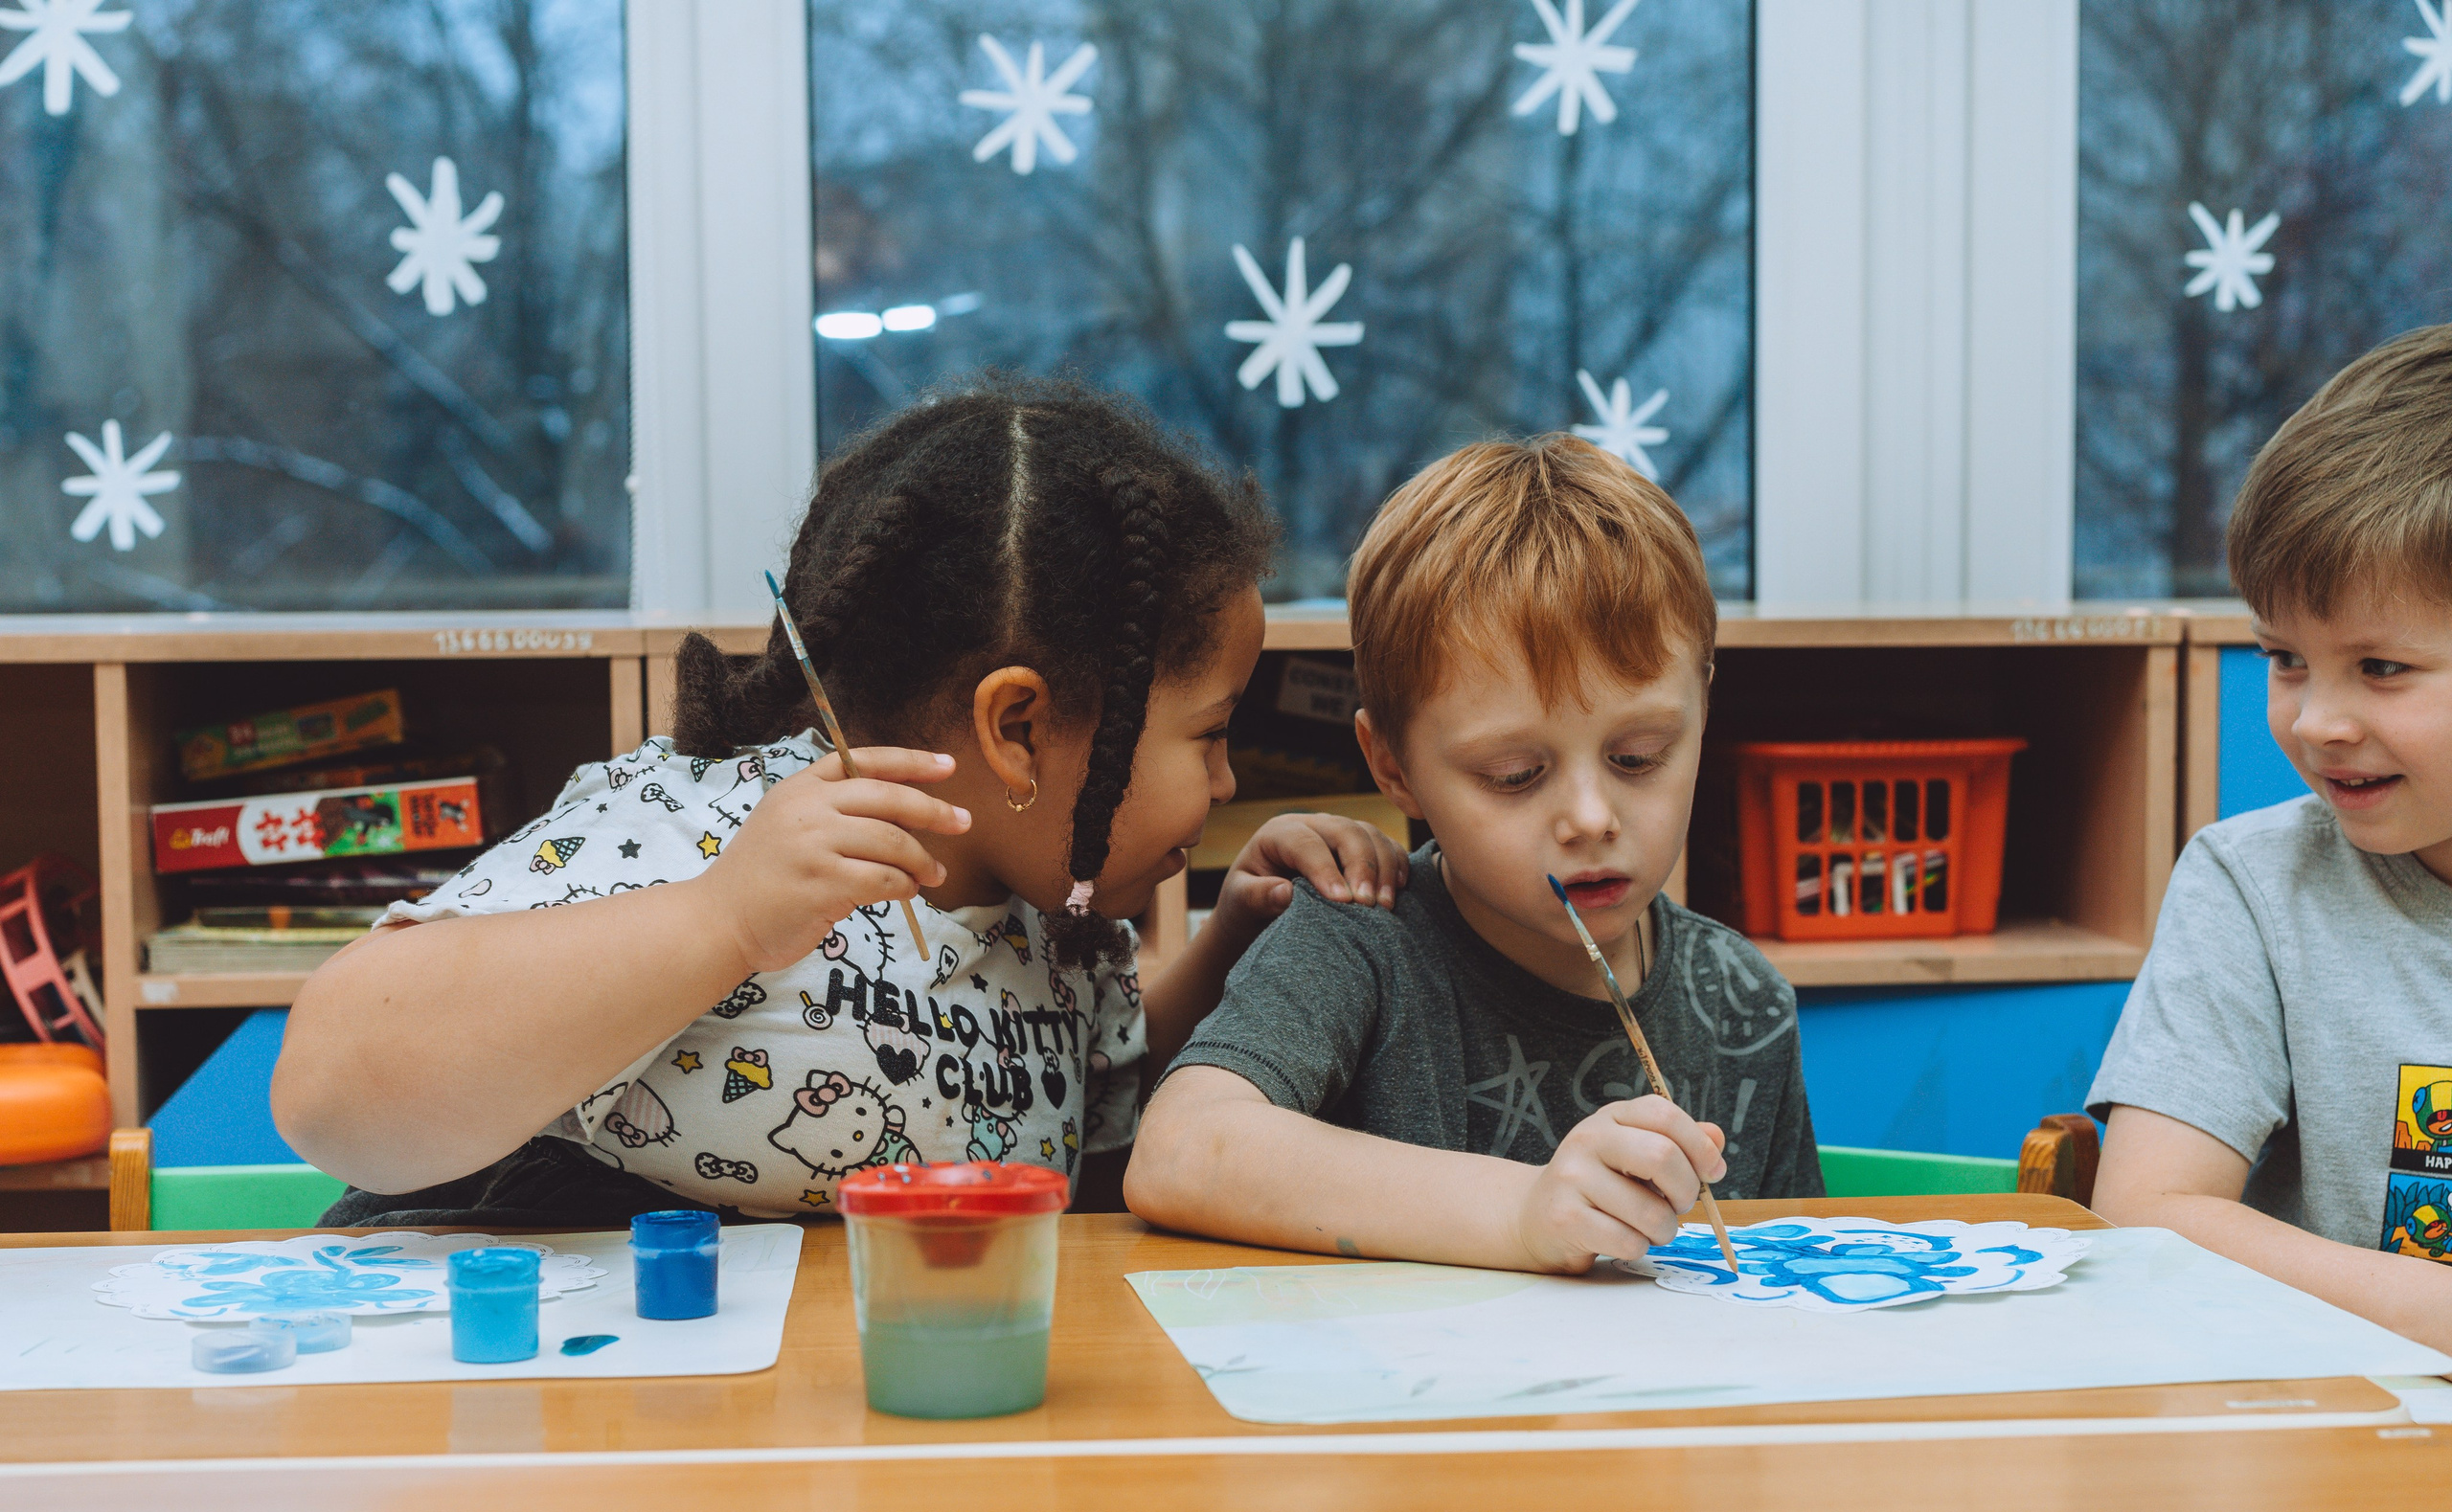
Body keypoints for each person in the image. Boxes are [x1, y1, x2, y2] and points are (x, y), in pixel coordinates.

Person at [271, 377, 1409, 1227]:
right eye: (1208, 736)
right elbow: (329, 1091)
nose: (1223, 787)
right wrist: (720, 919)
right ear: (1016, 729)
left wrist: (1231, 950)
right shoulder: (694, 826)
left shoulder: (1048, 927)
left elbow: (1089, 1098)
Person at [1125, 435, 1821, 1273]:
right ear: (1393, 767)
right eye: (1514, 774)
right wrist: (1524, 1211)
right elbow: (1180, 1151)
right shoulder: (1359, 942)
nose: (1592, 817)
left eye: (1638, 755)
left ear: (1703, 707)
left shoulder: (1746, 1002)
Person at [2090, 326, 2452, 1350]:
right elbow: (2144, 1212)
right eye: (2285, 658)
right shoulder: (2251, 885)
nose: (2314, 721)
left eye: (2379, 667)